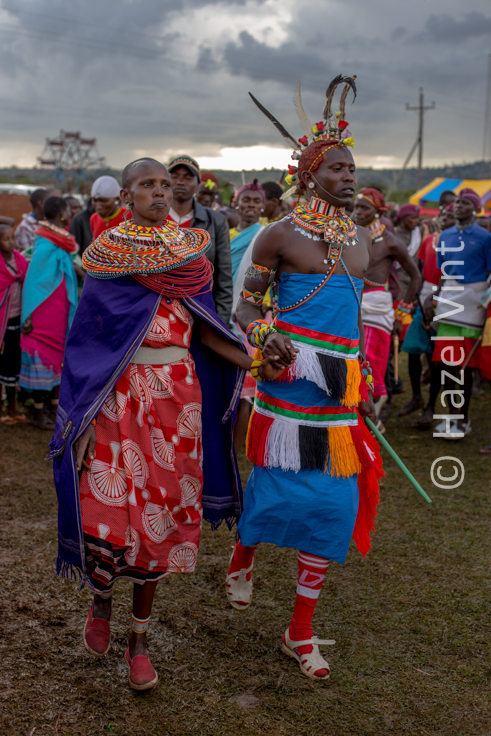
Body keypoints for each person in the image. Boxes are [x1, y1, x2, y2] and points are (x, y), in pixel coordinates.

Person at [49, 158, 285, 692]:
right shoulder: (109, 257)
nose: (160, 191)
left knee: (159, 517)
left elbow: (207, 329)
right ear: (126, 196)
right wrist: (82, 411)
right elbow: (89, 339)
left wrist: (253, 361)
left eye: (164, 184)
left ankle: (139, 639)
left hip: (177, 402)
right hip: (116, 400)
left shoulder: (188, 256)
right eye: (147, 184)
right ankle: (101, 601)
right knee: (108, 511)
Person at [227, 76, 384, 681]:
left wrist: (365, 385)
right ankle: (243, 555)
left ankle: (299, 631)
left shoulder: (362, 241)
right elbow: (246, 307)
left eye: (352, 168)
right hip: (286, 377)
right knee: (275, 486)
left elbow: (353, 323)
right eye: (338, 168)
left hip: (340, 388)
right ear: (310, 175)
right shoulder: (279, 235)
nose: (349, 177)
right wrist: (265, 335)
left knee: (334, 503)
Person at [426, 188, 491, 439]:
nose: (459, 206)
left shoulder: (485, 238)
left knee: (464, 365)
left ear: (475, 208)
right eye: (457, 202)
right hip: (448, 302)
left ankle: (463, 419)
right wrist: (434, 299)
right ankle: (451, 416)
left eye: (465, 202)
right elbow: (443, 272)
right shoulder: (444, 236)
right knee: (447, 362)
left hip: (473, 304)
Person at [352, 189, 420, 412]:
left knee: (370, 359)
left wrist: (401, 314)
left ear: (379, 212)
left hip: (376, 307)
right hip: (349, 302)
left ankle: (372, 412)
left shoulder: (391, 242)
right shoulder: (346, 235)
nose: (357, 211)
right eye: (356, 206)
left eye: (364, 208)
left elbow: (415, 276)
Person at [19, 197, 79, 429]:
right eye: (68, 209)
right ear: (62, 212)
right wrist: (28, 315)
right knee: (41, 358)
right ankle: (37, 411)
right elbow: (32, 283)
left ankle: (54, 408)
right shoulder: (45, 243)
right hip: (43, 312)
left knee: (59, 355)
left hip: (59, 311)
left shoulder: (63, 242)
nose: (71, 212)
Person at [398, 204, 456, 426]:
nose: (445, 218)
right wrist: (417, 299)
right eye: (444, 215)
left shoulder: (459, 245)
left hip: (448, 300)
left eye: (451, 216)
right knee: (413, 350)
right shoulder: (429, 239)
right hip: (424, 300)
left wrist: (435, 299)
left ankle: (431, 406)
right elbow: (421, 270)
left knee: (436, 358)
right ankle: (416, 397)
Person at [167, 155, 233, 324]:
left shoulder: (216, 221)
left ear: (198, 184)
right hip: (160, 312)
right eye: (174, 176)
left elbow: (223, 278)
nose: (180, 182)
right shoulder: (153, 218)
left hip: (200, 312)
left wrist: (220, 324)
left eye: (188, 177)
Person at [229, 180, 266, 449]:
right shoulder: (225, 234)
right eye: (246, 200)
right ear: (236, 203)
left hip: (251, 318)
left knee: (244, 393)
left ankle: (233, 447)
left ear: (262, 206)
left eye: (256, 201)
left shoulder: (265, 236)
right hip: (220, 314)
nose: (251, 205)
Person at [0, 224, 28, 424]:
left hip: (18, 319)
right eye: (6, 239)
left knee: (13, 365)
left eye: (12, 238)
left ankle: (12, 407)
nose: (11, 242)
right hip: (2, 322)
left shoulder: (20, 260)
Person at [14, 188, 48, 252]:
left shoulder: (46, 222)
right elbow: (29, 255)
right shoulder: (25, 227)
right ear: (41, 203)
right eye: (49, 202)